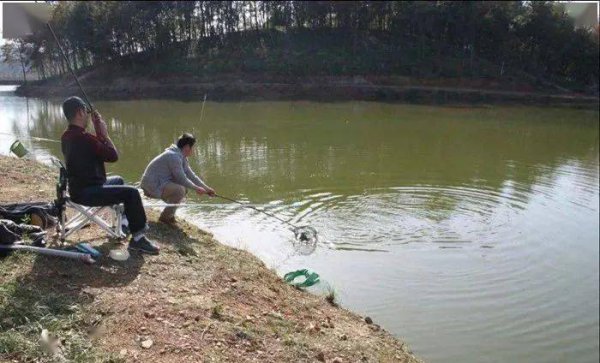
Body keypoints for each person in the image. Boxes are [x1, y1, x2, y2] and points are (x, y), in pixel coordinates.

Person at [60, 96, 160, 254]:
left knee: (118, 180)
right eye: (86, 111)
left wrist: (98, 134)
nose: (88, 115)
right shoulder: (86, 139)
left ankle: (124, 223)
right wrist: (104, 135)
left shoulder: (66, 136)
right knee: (132, 193)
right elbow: (113, 156)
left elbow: (92, 151)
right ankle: (138, 239)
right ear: (79, 112)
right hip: (88, 192)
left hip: (77, 188)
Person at [140, 133, 215, 224]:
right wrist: (197, 188)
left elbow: (191, 175)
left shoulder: (181, 156)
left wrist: (207, 189)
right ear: (187, 147)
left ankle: (170, 215)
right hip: (151, 185)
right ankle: (165, 218)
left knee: (183, 189)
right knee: (180, 190)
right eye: (193, 147)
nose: (194, 150)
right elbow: (182, 179)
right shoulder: (173, 156)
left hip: (160, 183)